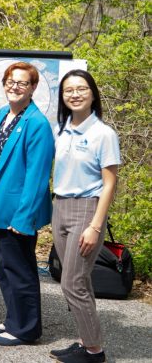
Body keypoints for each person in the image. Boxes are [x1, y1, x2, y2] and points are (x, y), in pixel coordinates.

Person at [0, 61, 54, 346]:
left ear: (33, 88)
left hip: (16, 213)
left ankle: (26, 329)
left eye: (22, 83)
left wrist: (24, 218)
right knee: (5, 268)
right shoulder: (3, 114)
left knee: (20, 271)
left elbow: (37, 178)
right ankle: (13, 319)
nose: (15, 86)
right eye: (11, 81)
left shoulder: (37, 124)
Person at [48, 70, 120, 363]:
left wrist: (95, 226)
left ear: (92, 94)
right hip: (61, 207)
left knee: (72, 283)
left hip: (87, 210)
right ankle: (85, 341)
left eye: (81, 89)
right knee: (80, 282)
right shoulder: (61, 129)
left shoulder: (103, 134)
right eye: (68, 90)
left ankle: (94, 351)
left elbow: (110, 184)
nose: (75, 94)